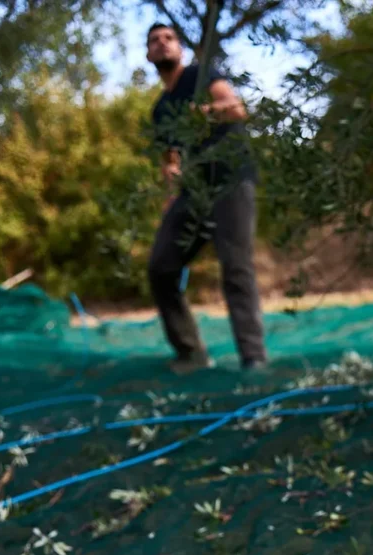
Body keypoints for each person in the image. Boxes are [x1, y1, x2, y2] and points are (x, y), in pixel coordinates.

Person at [145, 22, 267, 374]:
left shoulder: (199, 77)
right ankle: (190, 352)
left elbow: (236, 107)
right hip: (193, 192)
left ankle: (253, 358)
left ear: (178, 48)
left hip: (230, 181)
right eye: (155, 40)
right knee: (161, 267)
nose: (162, 44)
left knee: (236, 267)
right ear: (148, 53)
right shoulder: (159, 109)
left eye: (168, 38)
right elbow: (169, 158)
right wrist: (170, 182)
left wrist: (203, 113)